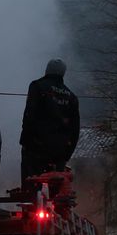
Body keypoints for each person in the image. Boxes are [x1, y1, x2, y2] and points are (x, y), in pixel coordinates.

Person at [20, 58, 80, 188]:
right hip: (60, 152)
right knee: (57, 189)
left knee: (31, 187)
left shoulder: (37, 86)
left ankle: (32, 197)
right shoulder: (71, 97)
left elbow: (29, 116)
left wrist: (25, 142)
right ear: (63, 73)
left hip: (36, 149)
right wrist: (66, 155)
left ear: (47, 70)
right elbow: (75, 130)